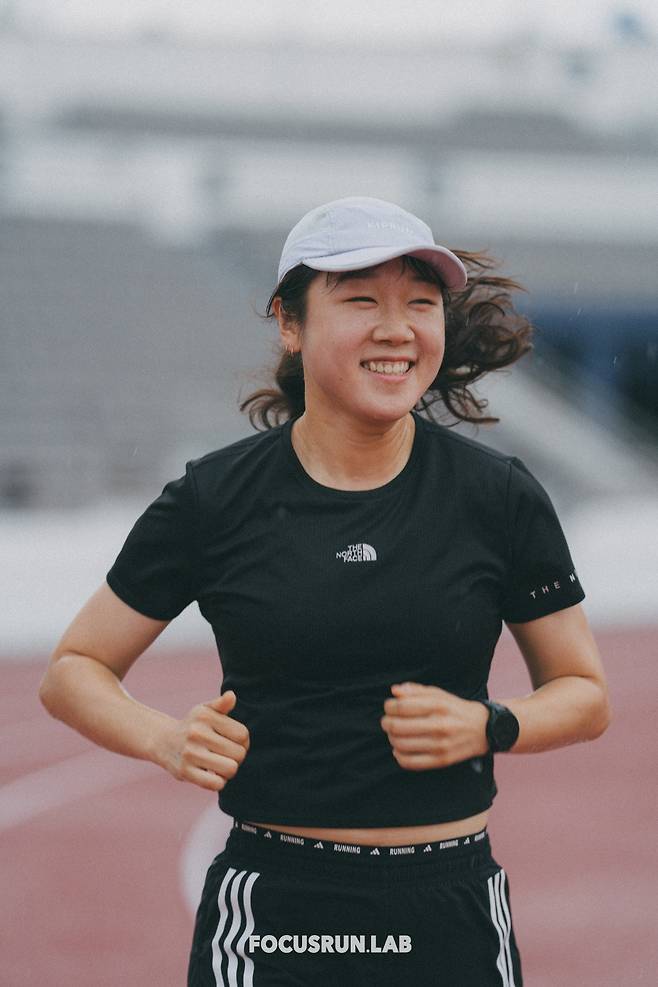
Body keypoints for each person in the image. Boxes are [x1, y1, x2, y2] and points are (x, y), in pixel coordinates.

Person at [39, 195, 611, 986]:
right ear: (289, 322)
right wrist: (163, 739)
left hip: (448, 908)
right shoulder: (215, 500)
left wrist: (492, 723)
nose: (396, 327)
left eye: (419, 303)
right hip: (277, 909)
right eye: (361, 301)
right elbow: (73, 668)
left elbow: (584, 692)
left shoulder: (497, 496)